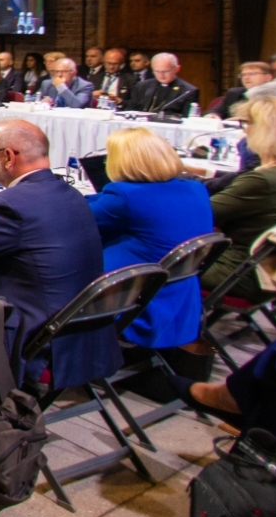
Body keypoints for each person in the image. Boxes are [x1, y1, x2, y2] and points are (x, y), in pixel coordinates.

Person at [0, 119, 116, 386]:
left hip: (39, 336)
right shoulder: (70, 192)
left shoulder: (9, 204)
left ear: (8, 157)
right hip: (85, 329)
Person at [86, 127, 212, 350]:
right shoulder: (196, 188)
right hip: (178, 298)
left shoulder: (125, 196)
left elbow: (80, 218)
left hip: (127, 298)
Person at [201, 95, 276, 302]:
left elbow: (198, 215)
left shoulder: (263, 180)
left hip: (241, 274)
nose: (244, 131)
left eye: (246, 124)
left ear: (265, 131)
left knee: (145, 257)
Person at [128, 52, 200, 114]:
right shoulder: (142, 86)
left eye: (165, 71)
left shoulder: (188, 91)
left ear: (177, 69)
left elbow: (188, 119)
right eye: (157, 71)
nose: (161, 75)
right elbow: (131, 110)